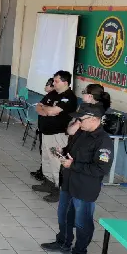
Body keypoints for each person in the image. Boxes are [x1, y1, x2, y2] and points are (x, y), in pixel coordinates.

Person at [40, 104, 113, 254]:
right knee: (63, 215)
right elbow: (72, 150)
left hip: (84, 188)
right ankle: (63, 243)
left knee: (82, 223)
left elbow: (101, 169)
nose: (79, 122)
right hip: (69, 182)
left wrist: (73, 165)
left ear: (94, 119)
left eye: (82, 119)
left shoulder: (103, 141)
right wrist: (63, 151)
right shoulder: (82, 132)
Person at [32, 71, 78, 202]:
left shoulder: (69, 97)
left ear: (65, 82)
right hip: (46, 132)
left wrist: (48, 110)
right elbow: (38, 108)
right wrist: (48, 111)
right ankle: (48, 182)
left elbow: (53, 111)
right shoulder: (52, 93)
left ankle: (59, 189)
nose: (53, 83)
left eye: (56, 81)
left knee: (56, 161)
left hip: (58, 135)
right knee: (46, 158)